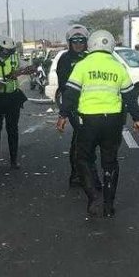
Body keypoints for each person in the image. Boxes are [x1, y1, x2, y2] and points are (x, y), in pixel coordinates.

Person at [55, 29, 139, 218]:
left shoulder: (83, 65)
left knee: (84, 158)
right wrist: (137, 118)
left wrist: (62, 116)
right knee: (110, 162)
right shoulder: (118, 66)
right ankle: (109, 204)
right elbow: (129, 95)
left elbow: (70, 93)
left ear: (90, 45)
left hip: (88, 120)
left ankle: (94, 197)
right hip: (113, 120)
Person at [55, 25, 90, 187]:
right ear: (69, 42)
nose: (78, 44)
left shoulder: (90, 57)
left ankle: (83, 171)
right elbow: (64, 85)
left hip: (91, 105)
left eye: (81, 40)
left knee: (87, 139)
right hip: (74, 104)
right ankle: (76, 173)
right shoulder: (65, 59)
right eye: (74, 41)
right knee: (80, 137)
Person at [0, 37, 30, 169]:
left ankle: (13, 159)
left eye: (10, 51)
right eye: (5, 51)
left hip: (12, 98)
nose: (7, 53)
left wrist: (20, 72)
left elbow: (31, 68)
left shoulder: (15, 58)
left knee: (12, 129)